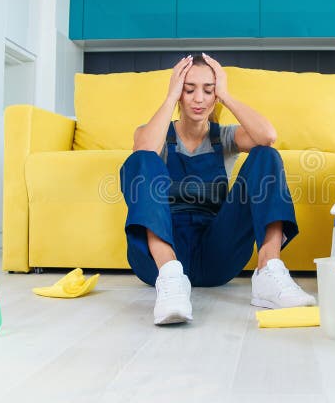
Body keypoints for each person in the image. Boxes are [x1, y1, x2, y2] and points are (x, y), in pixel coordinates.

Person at [119, 53, 316, 325]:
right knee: (141, 160)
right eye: (189, 90)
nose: (199, 99)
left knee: (266, 155)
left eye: (208, 90)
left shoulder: (224, 137)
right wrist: (169, 97)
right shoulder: (154, 133)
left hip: (217, 253)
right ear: (179, 92)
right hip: (159, 259)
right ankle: (171, 278)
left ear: (215, 95)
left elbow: (267, 135)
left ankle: (269, 270)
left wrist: (227, 94)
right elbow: (144, 150)